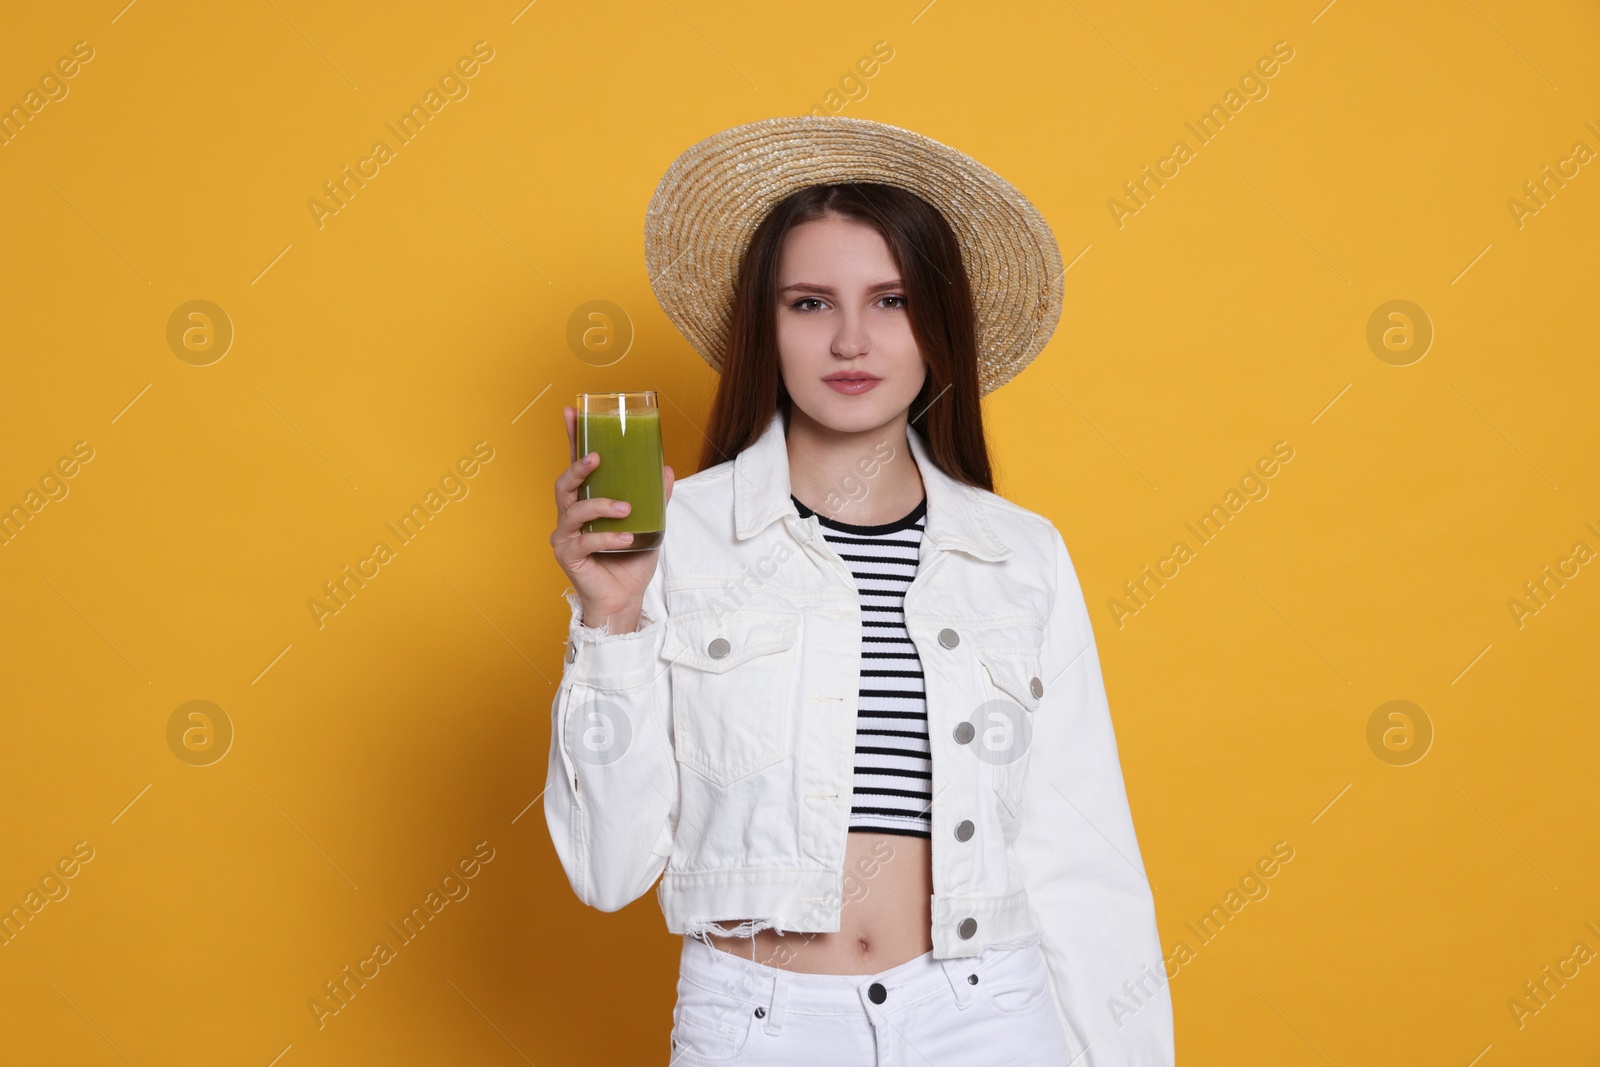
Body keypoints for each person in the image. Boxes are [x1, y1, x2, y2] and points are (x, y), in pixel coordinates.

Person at [546, 116, 1173, 1065]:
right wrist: (613, 618)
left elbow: (1083, 859)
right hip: (757, 1022)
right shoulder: (682, 538)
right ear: (769, 326)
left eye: (890, 299)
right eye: (809, 303)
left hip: (990, 1015)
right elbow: (607, 869)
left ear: (939, 328)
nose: (850, 338)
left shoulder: (1020, 555)